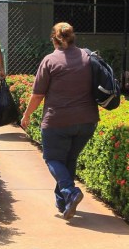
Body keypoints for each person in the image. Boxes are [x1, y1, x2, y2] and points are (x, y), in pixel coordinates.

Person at [20, 22, 99, 220]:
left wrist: (26, 115)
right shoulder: (87, 57)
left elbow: (38, 95)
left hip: (58, 121)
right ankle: (63, 201)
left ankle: (70, 192)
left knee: (53, 159)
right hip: (87, 121)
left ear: (54, 40)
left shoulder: (50, 60)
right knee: (69, 160)